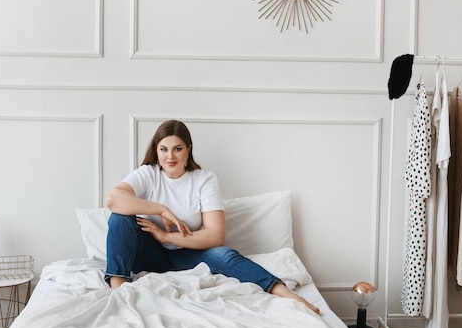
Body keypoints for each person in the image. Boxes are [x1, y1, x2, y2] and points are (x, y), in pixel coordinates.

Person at [105, 119, 319, 313]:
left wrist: (166, 236)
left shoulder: (203, 180)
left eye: (177, 149)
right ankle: (119, 287)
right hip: (147, 254)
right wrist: (161, 209)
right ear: (156, 151)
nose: (170, 156)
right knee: (120, 217)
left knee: (223, 255)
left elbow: (216, 235)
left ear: (188, 150)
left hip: (187, 255)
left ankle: (285, 293)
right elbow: (113, 199)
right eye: (164, 149)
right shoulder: (148, 174)